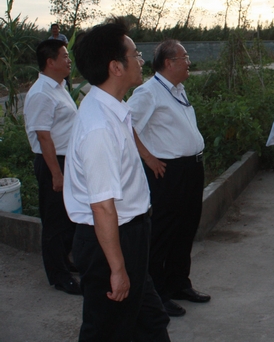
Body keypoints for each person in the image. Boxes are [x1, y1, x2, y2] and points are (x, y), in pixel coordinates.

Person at [63, 18, 170, 341]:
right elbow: (102, 207)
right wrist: (118, 268)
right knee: (107, 330)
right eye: (135, 54)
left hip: (128, 234)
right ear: (116, 67)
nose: (141, 61)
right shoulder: (99, 126)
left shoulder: (113, 109)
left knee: (151, 321)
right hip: (109, 242)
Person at [128, 39, 209, 317]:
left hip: (191, 168)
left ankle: (179, 283)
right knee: (163, 233)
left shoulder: (178, 89)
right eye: (184, 58)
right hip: (168, 172)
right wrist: (148, 157)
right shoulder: (148, 92)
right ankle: (158, 293)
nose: (189, 63)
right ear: (169, 63)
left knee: (186, 229)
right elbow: (125, 125)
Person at [23, 39, 80, 295]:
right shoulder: (41, 93)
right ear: (50, 62)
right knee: (55, 221)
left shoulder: (59, 87)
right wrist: (57, 173)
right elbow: (43, 136)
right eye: (64, 56)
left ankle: (64, 262)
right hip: (53, 162)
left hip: (67, 160)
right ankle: (59, 276)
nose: (69, 60)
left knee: (68, 219)